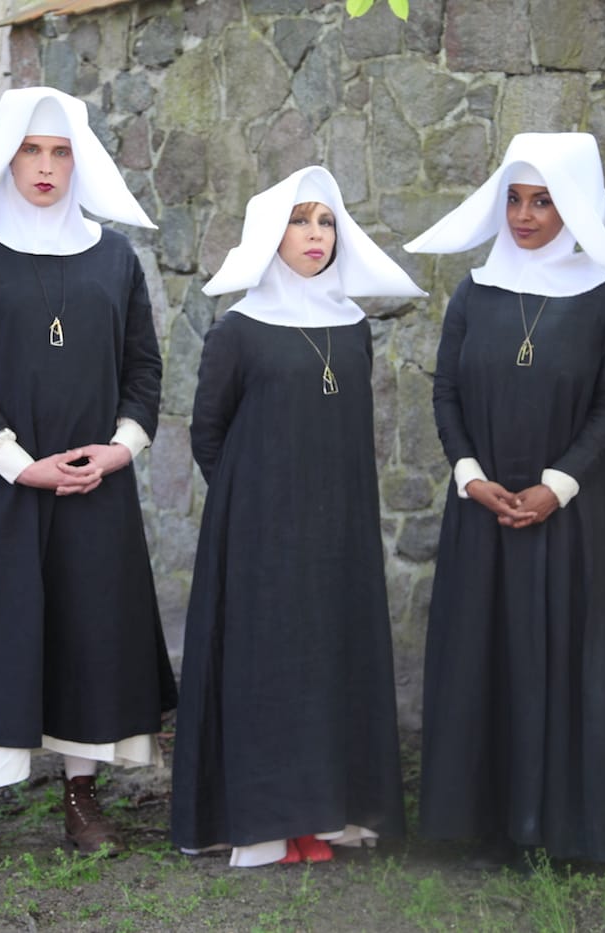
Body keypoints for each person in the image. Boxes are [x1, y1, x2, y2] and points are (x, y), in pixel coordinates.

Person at [0, 86, 177, 870]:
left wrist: (119, 449)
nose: (45, 167)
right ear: (8, 156)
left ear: (80, 160)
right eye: (31, 151)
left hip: (92, 485)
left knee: (86, 632)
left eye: (60, 151)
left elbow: (143, 369)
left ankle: (80, 794)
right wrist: (16, 461)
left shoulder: (113, 258)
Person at [403, 132, 605, 869]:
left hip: (564, 514)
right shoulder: (475, 291)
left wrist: (557, 486)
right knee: (479, 650)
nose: (525, 215)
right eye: (514, 198)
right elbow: (445, 391)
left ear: (575, 204)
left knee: (554, 652)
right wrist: (470, 475)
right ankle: (474, 823)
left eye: (543, 200)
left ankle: (557, 826)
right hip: (479, 506)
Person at [171, 166, 425, 868]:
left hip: (336, 536)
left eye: (325, 222)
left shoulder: (351, 329)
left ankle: (323, 816)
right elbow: (208, 433)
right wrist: (256, 510)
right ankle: (268, 824)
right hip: (258, 539)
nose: (314, 236)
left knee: (326, 668)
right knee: (269, 672)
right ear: (268, 233)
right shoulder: (240, 330)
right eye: (299, 221)